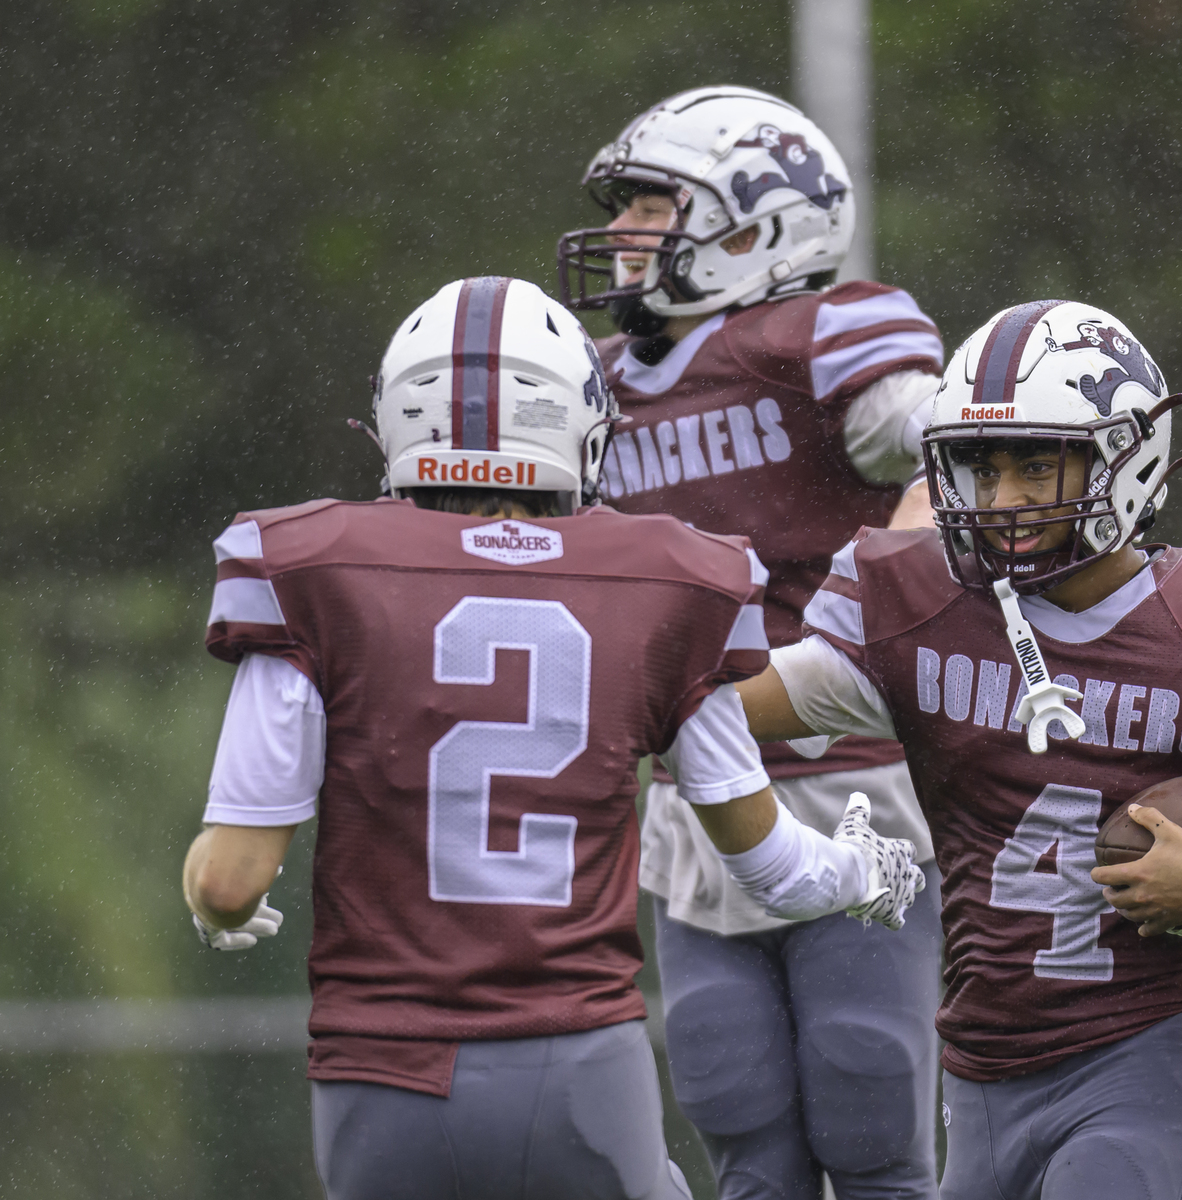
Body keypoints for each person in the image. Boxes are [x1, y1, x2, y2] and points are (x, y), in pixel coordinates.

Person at [179, 276, 924, 1200]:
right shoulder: (668, 582)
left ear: (397, 424)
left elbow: (228, 878)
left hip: (379, 1068)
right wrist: (865, 869)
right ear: (580, 424)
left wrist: (215, 909)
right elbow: (771, 868)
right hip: (574, 1060)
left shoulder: (307, 571)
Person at [734, 299, 1182, 1200]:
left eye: (1037, 465)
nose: (1003, 499)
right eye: (981, 466)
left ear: (1125, 455)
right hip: (981, 1066)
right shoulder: (918, 604)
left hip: (1146, 1051)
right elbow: (730, 709)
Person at [558, 85, 944, 1199]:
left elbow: (956, 456)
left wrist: (876, 602)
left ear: (755, 225)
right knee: (737, 1114)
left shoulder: (822, 339)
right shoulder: (597, 384)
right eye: (623, 207)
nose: (626, 232)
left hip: (848, 775)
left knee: (867, 1098)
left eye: (650, 205)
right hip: (696, 794)